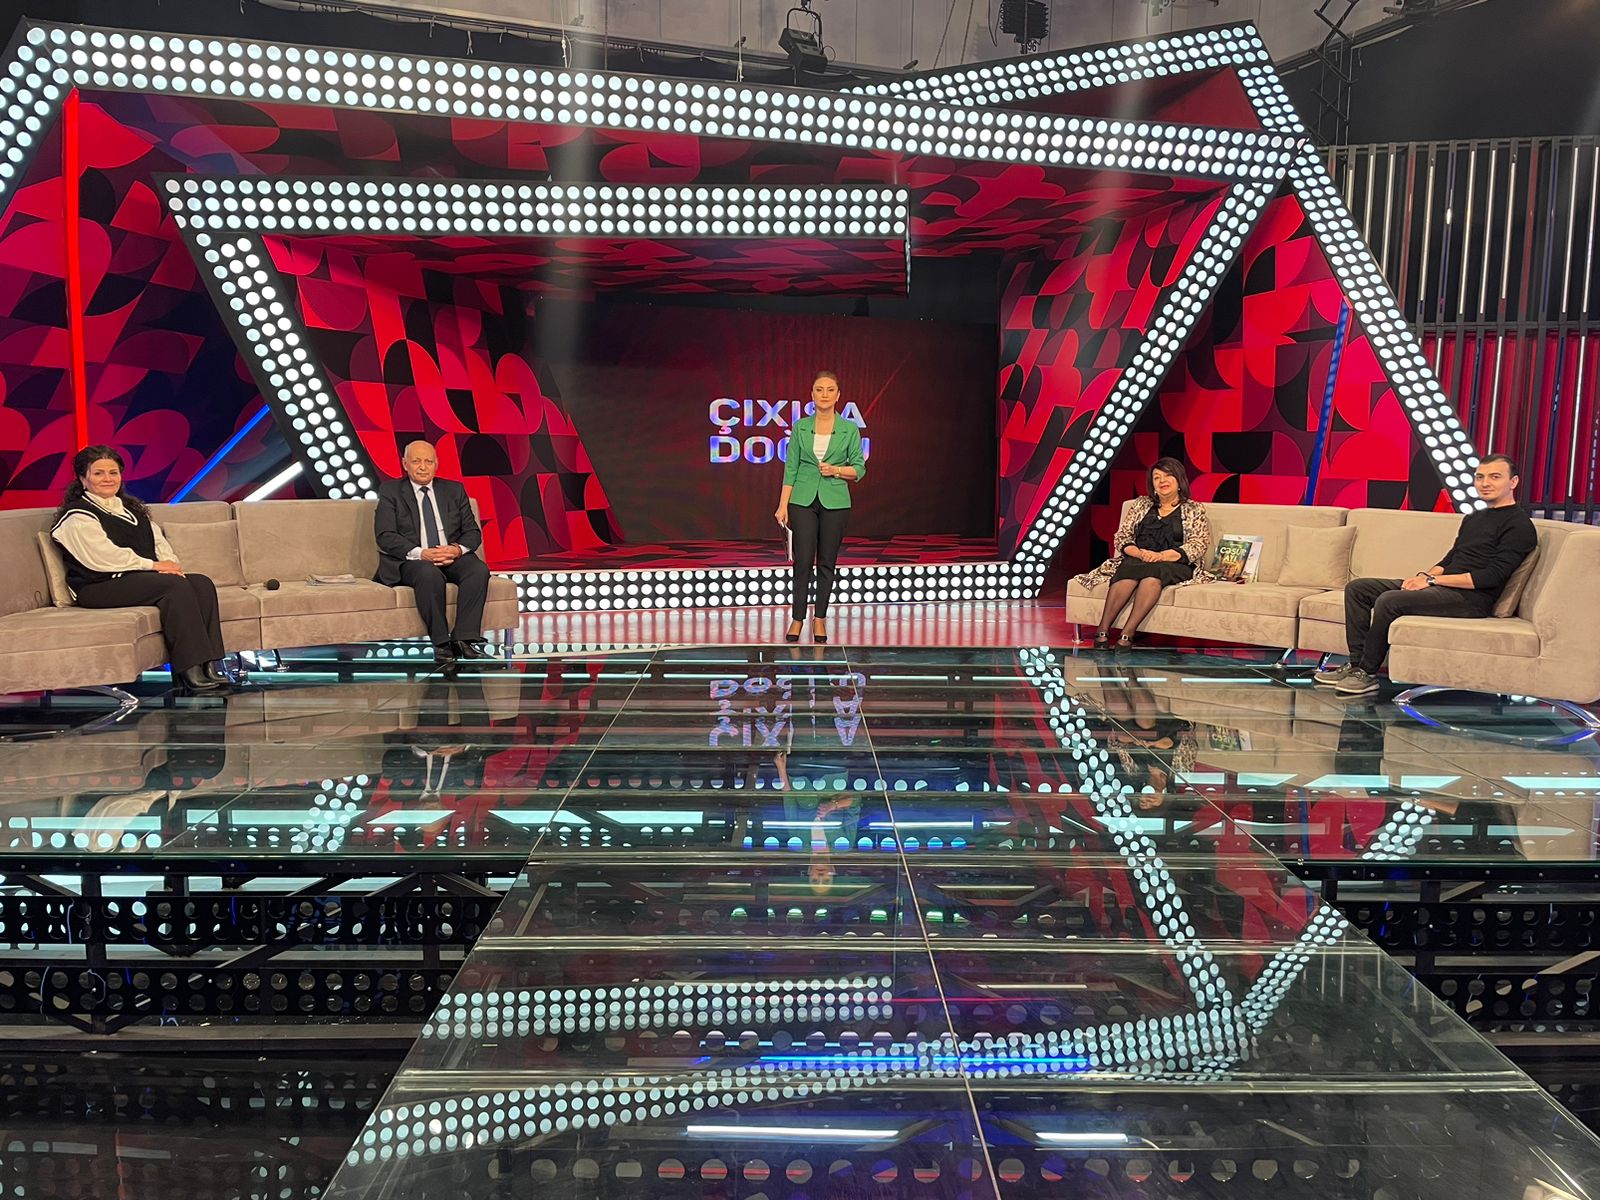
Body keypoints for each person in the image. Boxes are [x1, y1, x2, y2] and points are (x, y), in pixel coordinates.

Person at [1316, 453, 1537, 697]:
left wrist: (1432, 581)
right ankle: (1356, 665)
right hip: (1442, 587)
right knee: (1358, 589)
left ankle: (1368, 673)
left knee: (1389, 600)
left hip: (1473, 599)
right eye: (1480, 477)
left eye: (1495, 477)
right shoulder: (1475, 518)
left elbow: (1491, 577)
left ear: (1513, 482)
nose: (1485, 483)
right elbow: (1451, 558)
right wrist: (1423, 577)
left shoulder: (1519, 525)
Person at [51, 445, 231, 695]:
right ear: (83, 479)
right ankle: (188, 669)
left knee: (200, 583)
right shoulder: (77, 516)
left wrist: (170, 565)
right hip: (98, 586)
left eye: (113, 473)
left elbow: (159, 544)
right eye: (99, 473)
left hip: (137, 579)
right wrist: (155, 567)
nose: (107, 479)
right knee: (174, 587)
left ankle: (209, 663)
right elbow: (103, 557)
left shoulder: (132, 510)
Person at [374, 439, 493, 667]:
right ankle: (441, 643)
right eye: (416, 461)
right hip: (414, 559)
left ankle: (463, 639)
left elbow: (472, 532)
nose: (423, 467)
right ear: (405, 464)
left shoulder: (454, 490)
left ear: (436, 464)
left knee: (478, 570)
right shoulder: (390, 491)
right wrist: (422, 553)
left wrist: (456, 550)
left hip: (450, 555)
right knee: (428, 574)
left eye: (428, 461)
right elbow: (385, 535)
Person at [1073, 458, 1213, 647]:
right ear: (1152, 484)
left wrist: (1161, 556)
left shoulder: (1193, 509)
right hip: (1139, 558)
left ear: (1179, 480)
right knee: (1128, 572)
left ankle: (1127, 633)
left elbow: (1198, 544)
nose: (1162, 481)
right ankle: (1103, 629)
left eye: (1168, 475)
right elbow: (1122, 537)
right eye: (1157, 477)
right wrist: (1140, 554)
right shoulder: (1141, 504)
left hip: (1174, 562)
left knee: (1152, 575)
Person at [773, 371, 866, 645]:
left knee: (827, 561)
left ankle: (820, 618)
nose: (824, 394)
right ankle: (797, 617)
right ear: (811, 395)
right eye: (819, 389)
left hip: (835, 501)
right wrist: (782, 505)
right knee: (802, 560)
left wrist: (836, 470)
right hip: (802, 499)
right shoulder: (800, 427)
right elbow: (791, 468)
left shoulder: (849, 429)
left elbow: (859, 469)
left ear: (838, 395)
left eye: (830, 390)